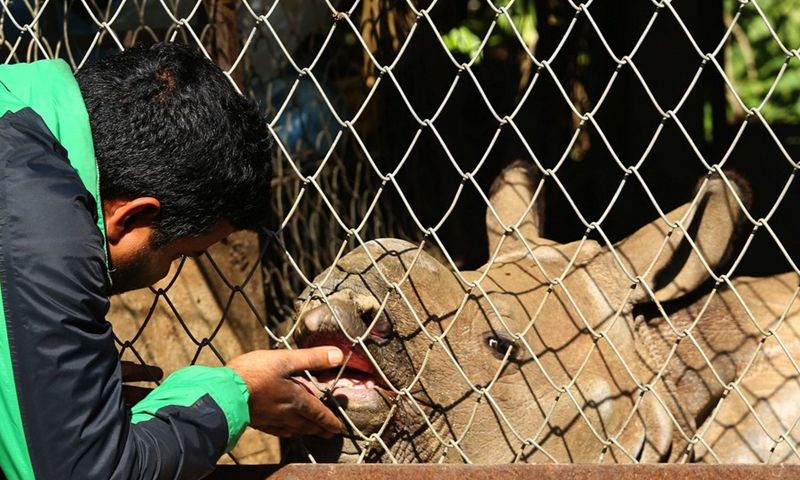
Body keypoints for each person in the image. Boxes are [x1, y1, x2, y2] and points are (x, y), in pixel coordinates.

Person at [0, 42, 344, 479]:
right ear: (133, 217)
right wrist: (233, 396)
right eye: (181, 254)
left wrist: (42, 387)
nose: (167, 272)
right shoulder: (40, 230)